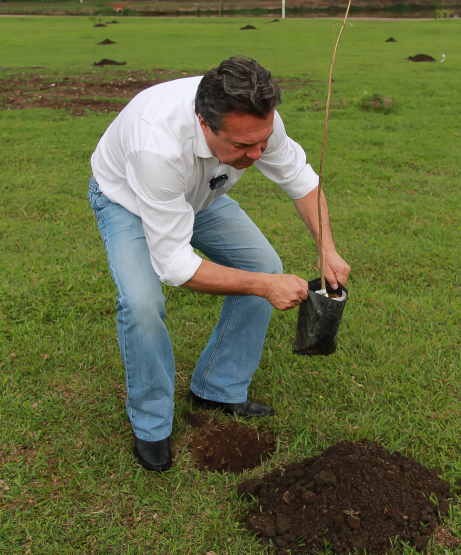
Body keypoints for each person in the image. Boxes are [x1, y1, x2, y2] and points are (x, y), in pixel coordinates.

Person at [88, 56, 350, 471]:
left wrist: (327, 249)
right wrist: (264, 286)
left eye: (262, 142)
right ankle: (152, 424)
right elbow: (175, 266)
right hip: (130, 200)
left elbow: (301, 180)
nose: (257, 153)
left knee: (264, 262)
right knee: (142, 305)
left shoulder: (257, 123)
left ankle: (218, 388)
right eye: (243, 147)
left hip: (200, 195)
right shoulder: (156, 146)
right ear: (204, 124)